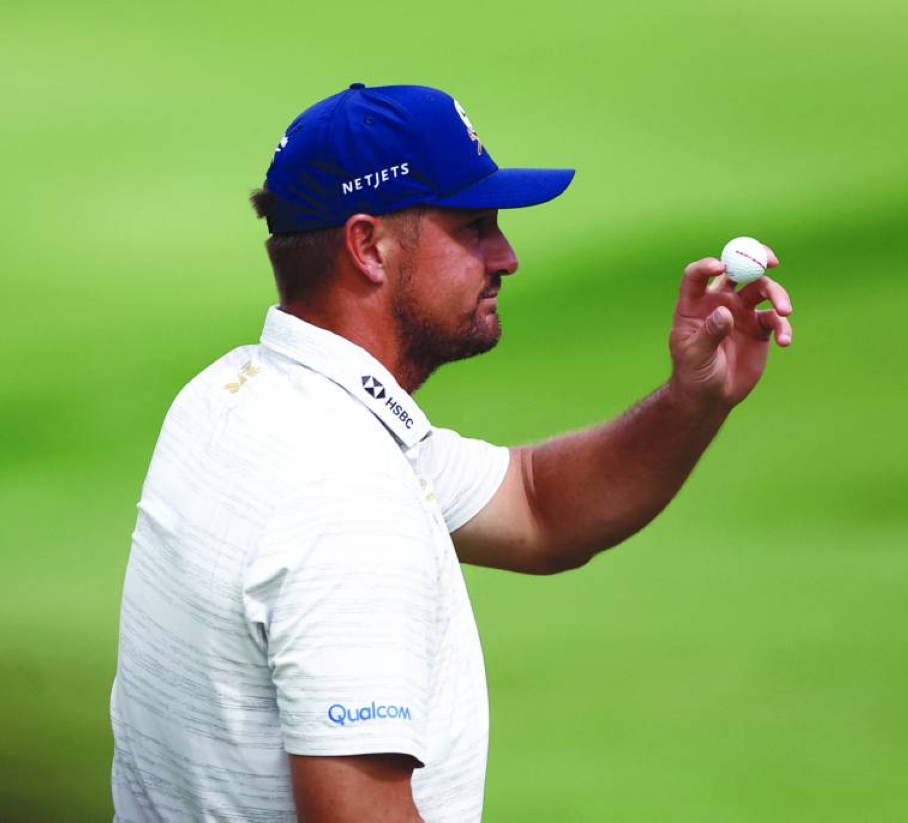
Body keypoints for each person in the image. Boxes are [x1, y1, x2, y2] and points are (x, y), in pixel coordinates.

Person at [110, 83, 792, 823]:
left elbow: (538, 504)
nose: (507, 257)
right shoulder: (348, 500)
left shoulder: (232, 396)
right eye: (474, 226)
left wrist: (692, 397)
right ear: (367, 246)